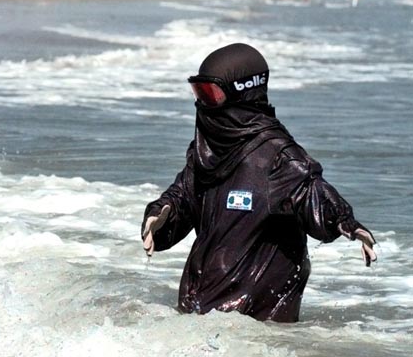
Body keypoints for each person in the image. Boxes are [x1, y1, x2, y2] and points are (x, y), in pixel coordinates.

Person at [141, 43, 377, 323]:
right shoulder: (208, 152)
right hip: (199, 311)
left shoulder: (277, 156)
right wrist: (162, 212)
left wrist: (346, 223)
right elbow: (183, 195)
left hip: (255, 327)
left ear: (242, 92)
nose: (203, 103)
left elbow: (312, 191)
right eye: (198, 93)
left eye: (210, 94)